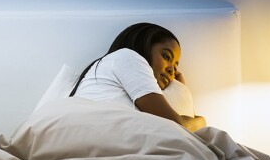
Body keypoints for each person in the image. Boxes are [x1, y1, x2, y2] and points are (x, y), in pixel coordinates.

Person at [69, 22, 206, 132]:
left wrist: (180, 89)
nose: (172, 69)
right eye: (166, 56)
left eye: (175, 66)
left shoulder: (110, 68)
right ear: (144, 45)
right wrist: (201, 121)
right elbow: (177, 126)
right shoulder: (127, 57)